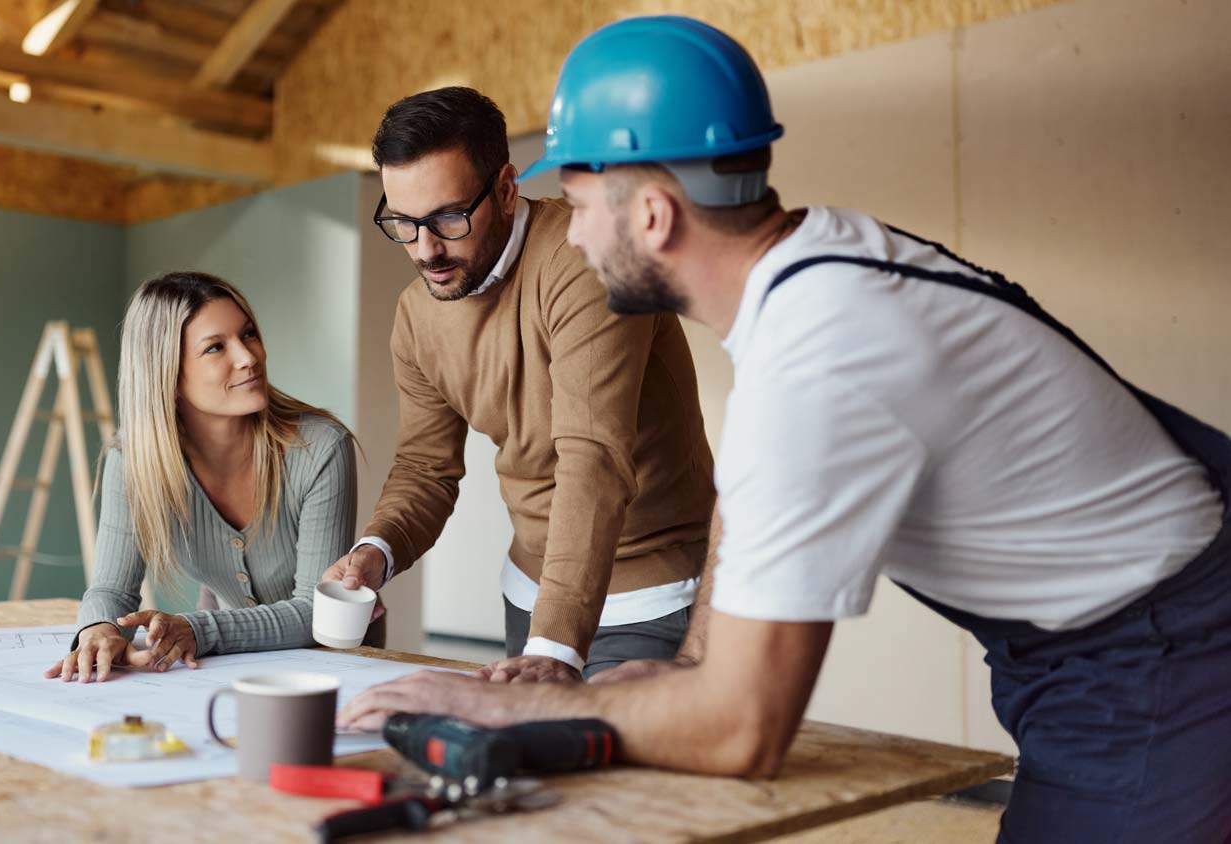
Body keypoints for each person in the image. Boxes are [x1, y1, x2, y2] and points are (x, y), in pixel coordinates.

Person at [338, 17, 1231, 843]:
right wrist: (690, 660)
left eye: (581, 207)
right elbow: (745, 498)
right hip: (1099, 641)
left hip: (1161, 651)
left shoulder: (821, 353)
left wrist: (515, 707)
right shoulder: (813, 265)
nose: (567, 240)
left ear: (652, 216)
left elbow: (745, 728)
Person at [320, 86, 716, 681]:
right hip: (530, 594)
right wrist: (377, 552)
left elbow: (593, 457)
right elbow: (426, 466)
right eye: (403, 222)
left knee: (608, 773)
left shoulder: (585, 261)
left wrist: (552, 649)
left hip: (650, 595)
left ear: (506, 189)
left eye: (448, 218)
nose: (426, 249)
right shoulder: (417, 314)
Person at [45, 271, 363, 683]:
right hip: (227, 669)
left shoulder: (321, 447)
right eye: (216, 347)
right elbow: (111, 590)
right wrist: (99, 630)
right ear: (167, 375)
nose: (249, 357)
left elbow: (314, 611)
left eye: (248, 334)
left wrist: (198, 629)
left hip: (337, 666)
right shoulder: (133, 460)